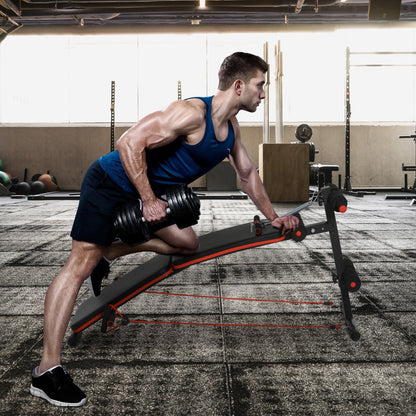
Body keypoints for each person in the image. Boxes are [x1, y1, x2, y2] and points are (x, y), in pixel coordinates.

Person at [30, 51, 300, 407]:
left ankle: (107, 252)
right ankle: (47, 371)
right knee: (78, 263)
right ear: (238, 86)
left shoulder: (230, 129)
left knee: (187, 243)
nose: (263, 93)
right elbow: (128, 143)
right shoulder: (190, 114)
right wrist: (147, 199)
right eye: (260, 85)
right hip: (110, 182)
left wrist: (273, 217)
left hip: (147, 194)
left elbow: (248, 174)